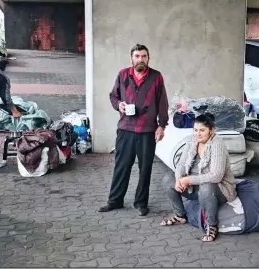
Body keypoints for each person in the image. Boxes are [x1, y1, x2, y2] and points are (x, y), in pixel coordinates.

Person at [98, 44, 169, 216]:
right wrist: (119, 105)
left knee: (145, 168)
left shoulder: (156, 77)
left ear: (148, 58)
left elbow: (162, 103)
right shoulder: (123, 75)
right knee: (121, 166)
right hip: (125, 129)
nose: (140, 59)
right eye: (137, 56)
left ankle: (141, 203)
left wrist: (161, 126)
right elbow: (113, 96)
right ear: (131, 59)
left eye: (144, 56)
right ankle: (115, 201)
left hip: (147, 130)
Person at [159, 114, 237, 242]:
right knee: (168, 179)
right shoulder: (192, 141)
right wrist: (179, 179)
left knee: (206, 187)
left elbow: (216, 176)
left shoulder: (217, 144)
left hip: (218, 190)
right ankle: (180, 215)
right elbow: (181, 164)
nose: (198, 134)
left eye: (202, 130)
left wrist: (188, 180)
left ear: (211, 130)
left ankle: (211, 225)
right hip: (194, 188)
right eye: (195, 130)